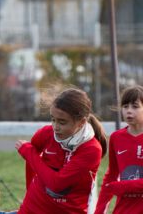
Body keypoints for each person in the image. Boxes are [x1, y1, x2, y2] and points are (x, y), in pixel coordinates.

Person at [14, 87, 107, 213]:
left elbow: (57, 185)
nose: (55, 127)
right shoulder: (46, 133)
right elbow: (31, 165)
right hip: (32, 208)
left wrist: (28, 153)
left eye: (62, 122)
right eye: (53, 119)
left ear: (81, 122)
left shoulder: (92, 149)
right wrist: (30, 193)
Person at [94, 85, 143, 214]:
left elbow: (116, 185)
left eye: (135, 106)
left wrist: (122, 186)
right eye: (125, 106)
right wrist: (99, 211)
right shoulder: (116, 137)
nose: (129, 111)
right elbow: (111, 176)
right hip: (123, 209)